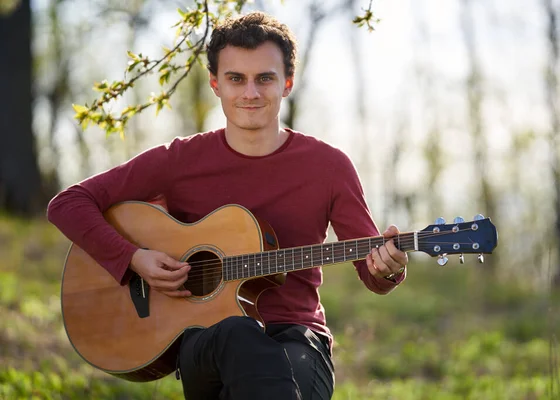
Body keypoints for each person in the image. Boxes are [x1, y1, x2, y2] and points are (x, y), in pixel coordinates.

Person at [47, 11, 408, 400]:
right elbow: (68, 204)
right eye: (236, 78)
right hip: (207, 343)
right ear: (216, 84)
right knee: (237, 332)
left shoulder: (328, 166)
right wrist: (134, 258)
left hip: (298, 338)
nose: (250, 93)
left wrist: (388, 269)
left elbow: (372, 273)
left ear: (286, 83)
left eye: (264, 78)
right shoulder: (180, 159)